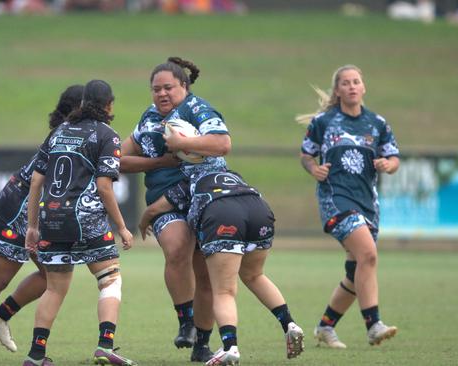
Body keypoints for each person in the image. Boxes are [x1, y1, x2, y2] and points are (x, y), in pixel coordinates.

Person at [0, 84, 84, 365]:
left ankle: (0, 315)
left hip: (31, 207)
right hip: (19, 206)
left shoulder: (75, 133)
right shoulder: (65, 135)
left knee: (52, 276)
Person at [120, 56, 228, 362]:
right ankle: (186, 321)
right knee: (177, 248)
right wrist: (157, 162)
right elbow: (115, 160)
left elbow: (222, 144)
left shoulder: (198, 110)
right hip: (165, 200)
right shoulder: (149, 118)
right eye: (156, 89)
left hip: (204, 197)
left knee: (205, 275)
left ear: (184, 86)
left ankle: (203, 342)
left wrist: (186, 142)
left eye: (168, 87)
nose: (162, 94)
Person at [139, 168, 305, 365]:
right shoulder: (232, 173)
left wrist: (143, 222)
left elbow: (154, 209)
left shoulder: (189, 180)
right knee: (255, 276)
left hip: (224, 214)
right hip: (259, 209)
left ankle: (230, 347)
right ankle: (290, 324)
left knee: (223, 290)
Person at [23, 79, 135, 366]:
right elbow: (104, 186)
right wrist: (121, 226)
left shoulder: (59, 131)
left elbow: (37, 180)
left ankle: (36, 355)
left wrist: (33, 226)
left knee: (54, 288)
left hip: (52, 219)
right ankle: (105, 345)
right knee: (109, 279)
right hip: (86, 220)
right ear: (109, 104)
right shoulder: (107, 135)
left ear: (83, 104)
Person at [297, 64, 400, 348]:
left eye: (356, 81)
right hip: (336, 200)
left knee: (356, 274)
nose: (352, 86)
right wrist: (313, 169)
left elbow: (393, 158)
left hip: (368, 202)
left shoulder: (377, 123)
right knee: (368, 254)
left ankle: (325, 327)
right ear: (338, 90)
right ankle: (373, 325)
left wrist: (387, 165)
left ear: (363, 88)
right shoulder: (324, 121)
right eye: (346, 82)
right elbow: (307, 155)